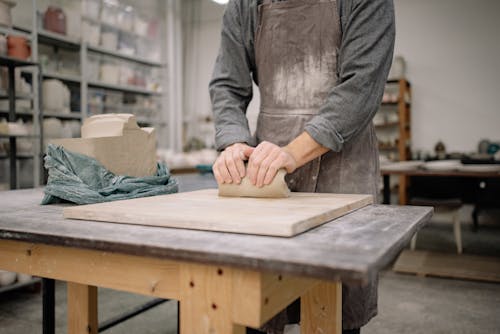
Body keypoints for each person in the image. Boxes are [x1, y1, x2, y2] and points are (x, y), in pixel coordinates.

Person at [209, 0, 395, 333]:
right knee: (260, 303)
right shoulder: (244, 6)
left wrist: (292, 153)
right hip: (270, 174)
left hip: (343, 168)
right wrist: (234, 140)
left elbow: (360, 87)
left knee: (334, 308)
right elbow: (227, 85)